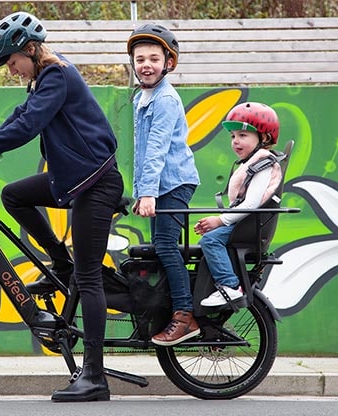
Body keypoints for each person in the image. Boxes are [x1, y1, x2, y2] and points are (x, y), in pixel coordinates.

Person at [0, 11, 123, 402]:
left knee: (90, 276)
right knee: (15, 195)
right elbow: (23, 116)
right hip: (74, 179)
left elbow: (29, 127)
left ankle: (94, 376)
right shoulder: (43, 79)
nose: (11, 70)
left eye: (12, 62)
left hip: (94, 184)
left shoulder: (57, 75)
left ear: (29, 50)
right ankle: (60, 264)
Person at [126, 24, 201, 346]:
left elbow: (155, 150)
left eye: (154, 58)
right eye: (140, 58)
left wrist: (147, 193)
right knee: (159, 248)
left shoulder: (165, 99)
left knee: (168, 247)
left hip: (174, 183)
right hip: (162, 184)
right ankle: (166, 308)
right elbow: (141, 151)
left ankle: (185, 315)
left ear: (169, 63)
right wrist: (141, 189)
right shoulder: (142, 96)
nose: (146, 64)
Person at [194, 102, 283, 306]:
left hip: (249, 227)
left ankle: (230, 286)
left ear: (265, 137)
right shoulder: (254, 162)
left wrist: (220, 220)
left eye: (243, 135)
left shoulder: (263, 164)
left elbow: (251, 204)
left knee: (210, 241)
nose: (235, 141)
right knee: (207, 241)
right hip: (245, 225)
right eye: (233, 136)